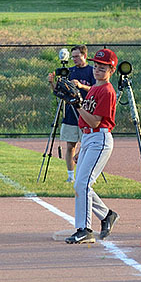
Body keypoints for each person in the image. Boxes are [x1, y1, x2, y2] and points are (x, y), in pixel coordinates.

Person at [65, 48, 120, 244]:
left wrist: (77, 104)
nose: (97, 69)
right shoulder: (95, 89)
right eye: (96, 66)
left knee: (83, 184)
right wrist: (81, 147)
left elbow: (95, 122)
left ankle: (85, 229)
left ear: (111, 70)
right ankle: (106, 215)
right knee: (80, 184)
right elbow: (86, 125)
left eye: (103, 67)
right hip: (89, 139)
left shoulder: (107, 91)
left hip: (100, 139)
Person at [48, 45, 95, 182]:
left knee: (86, 145)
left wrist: (80, 86)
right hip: (70, 112)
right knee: (70, 145)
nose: (74, 59)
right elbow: (60, 93)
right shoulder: (69, 71)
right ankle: (70, 176)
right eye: (72, 57)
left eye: (77, 56)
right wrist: (52, 84)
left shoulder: (92, 71)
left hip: (86, 112)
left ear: (84, 56)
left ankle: (86, 175)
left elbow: (96, 89)